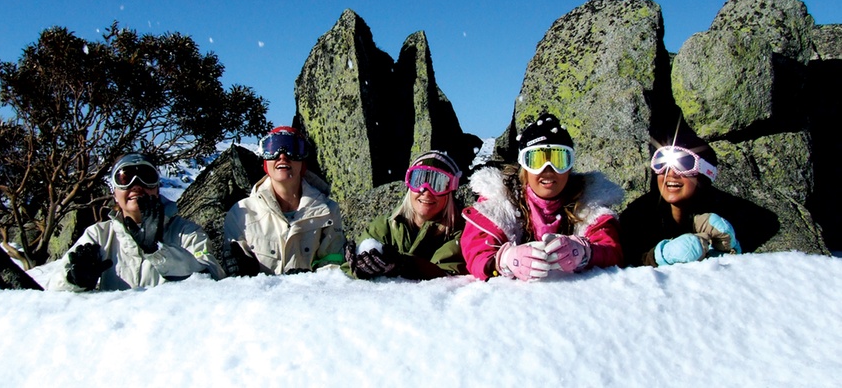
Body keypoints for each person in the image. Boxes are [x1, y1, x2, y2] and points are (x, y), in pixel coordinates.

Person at [461, 113, 623, 281]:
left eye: (559, 159)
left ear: (570, 167)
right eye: (536, 160)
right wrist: (504, 260)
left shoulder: (590, 205)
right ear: (523, 166)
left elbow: (611, 250)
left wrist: (585, 252)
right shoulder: (499, 203)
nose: (548, 170)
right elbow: (477, 252)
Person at [47, 153, 225, 291]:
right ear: (115, 192)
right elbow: (52, 289)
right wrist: (73, 278)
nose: (136, 185)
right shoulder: (98, 236)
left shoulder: (187, 233)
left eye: (146, 177)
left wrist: (158, 252)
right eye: (125, 178)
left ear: (157, 187)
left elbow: (212, 279)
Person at [223, 126, 345, 276]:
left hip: (311, 297)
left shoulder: (328, 211)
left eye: (293, 149)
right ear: (265, 162)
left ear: (303, 161)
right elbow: (232, 275)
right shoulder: (241, 213)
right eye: (272, 149)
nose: (282, 156)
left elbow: (333, 264)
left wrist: (309, 280)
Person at [619, 133, 742, 267]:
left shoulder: (728, 213)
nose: (671, 173)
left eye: (684, 163)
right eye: (662, 163)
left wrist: (731, 250)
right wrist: (659, 256)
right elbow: (623, 261)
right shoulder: (636, 216)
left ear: (704, 174)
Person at [343, 150, 467, 280]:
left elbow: (447, 278)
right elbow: (346, 273)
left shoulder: (460, 233)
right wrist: (358, 268)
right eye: (418, 181)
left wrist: (401, 264)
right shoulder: (387, 226)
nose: (426, 191)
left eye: (438, 184)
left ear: (450, 191)